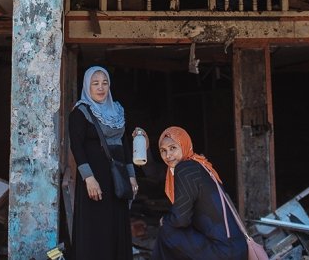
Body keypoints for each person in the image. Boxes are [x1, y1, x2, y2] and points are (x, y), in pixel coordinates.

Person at [68, 66, 137, 260]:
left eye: (104, 83)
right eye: (95, 83)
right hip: (95, 180)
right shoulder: (80, 112)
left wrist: (131, 176)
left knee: (117, 224)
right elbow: (77, 148)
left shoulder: (117, 111)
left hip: (117, 179)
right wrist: (89, 178)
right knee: (96, 227)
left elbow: (125, 145)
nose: (100, 88)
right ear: (87, 86)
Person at [152, 126, 246, 260]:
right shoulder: (199, 165)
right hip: (236, 248)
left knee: (167, 230)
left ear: (184, 145)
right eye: (163, 151)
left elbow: (180, 220)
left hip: (223, 252)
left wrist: (164, 221)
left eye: (173, 148)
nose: (168, 155)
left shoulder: (184, 169)